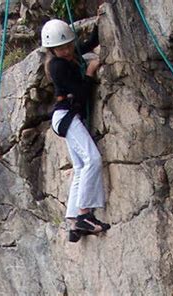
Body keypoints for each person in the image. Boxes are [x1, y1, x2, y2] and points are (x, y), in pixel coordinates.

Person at [41, 16, 110, 243]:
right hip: (66, 115)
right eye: (62, 48)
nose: (69, 51)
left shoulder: (66, 56)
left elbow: (88, 44)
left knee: (81, 166)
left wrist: (102, 21)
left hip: (66, 117)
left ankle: (73, 221)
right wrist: (90, 73)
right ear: (52, 49)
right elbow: (80, 94)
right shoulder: (57, 66)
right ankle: (85, 215)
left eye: (70, 45)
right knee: (93, 159)